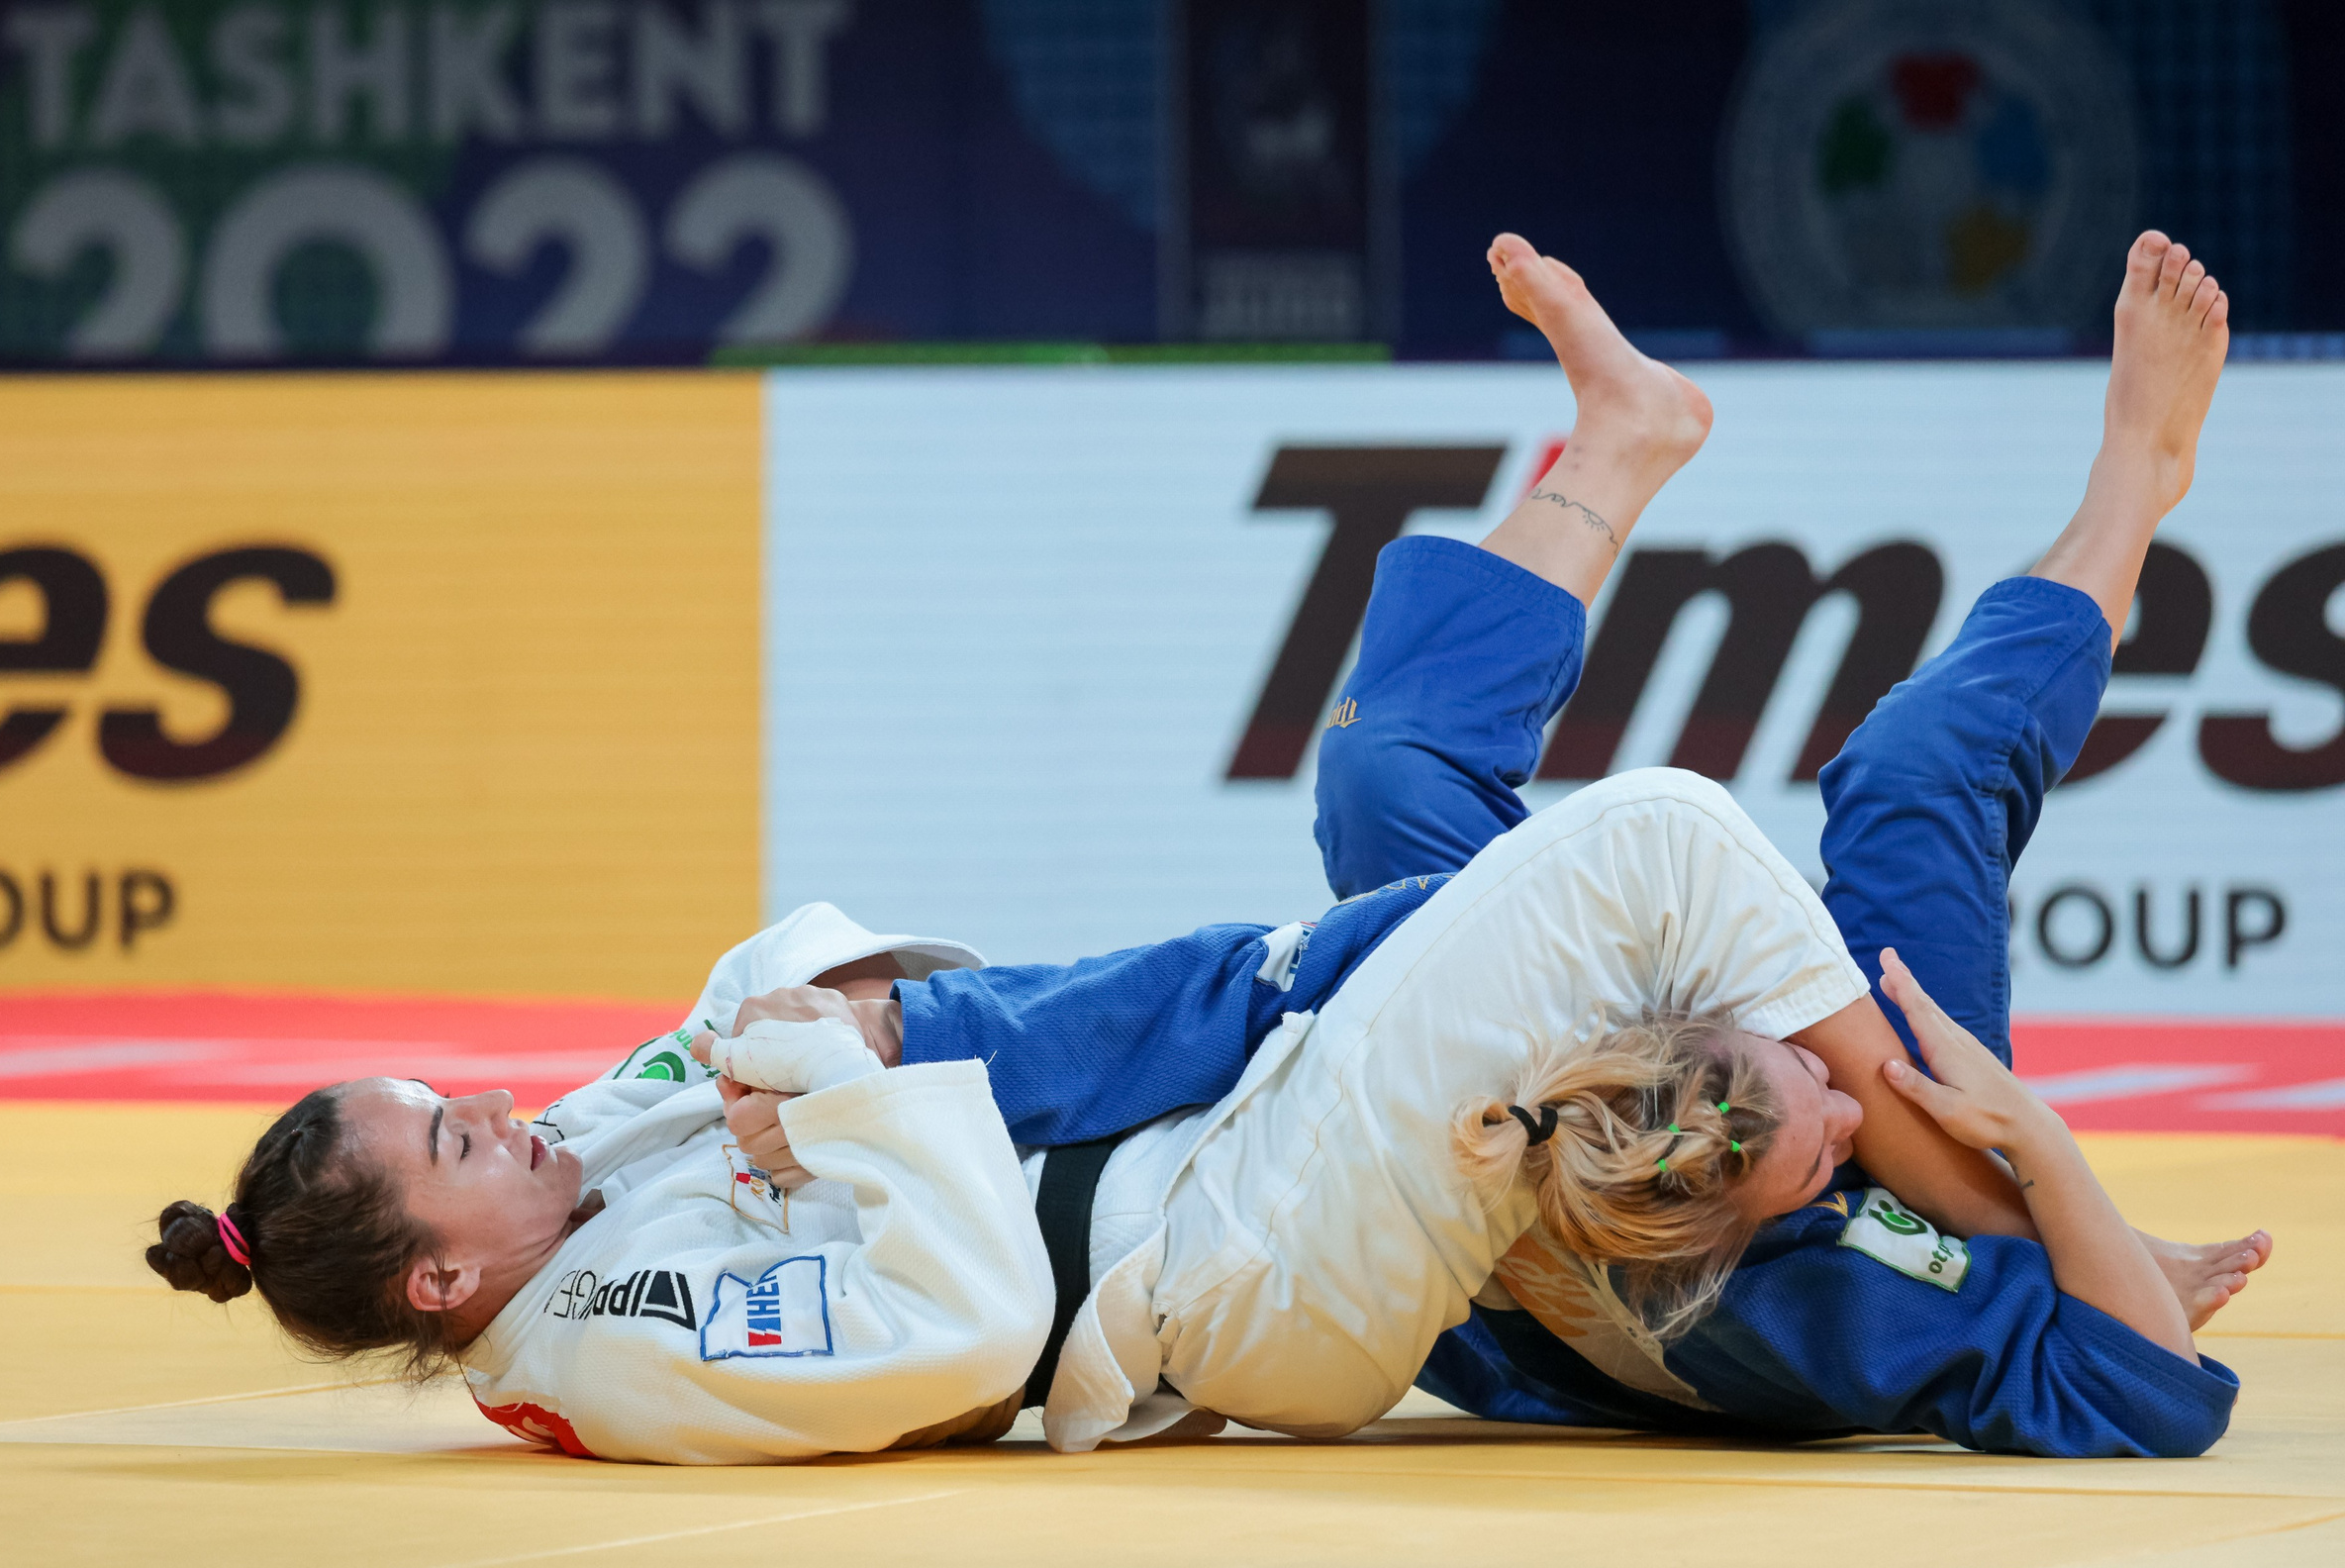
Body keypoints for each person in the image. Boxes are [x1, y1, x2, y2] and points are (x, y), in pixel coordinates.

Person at [146, 232, 2239, 1464]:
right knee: (1677, 837)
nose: (507, 1113)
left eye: (464, 1097)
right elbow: (955, 1334)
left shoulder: (588, 1183)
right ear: (439, 1269)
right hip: (1240, 1263)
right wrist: (2047, 1194)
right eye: (459, 1137)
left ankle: (1614, 458)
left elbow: (740, 1022)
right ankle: (2122, 501)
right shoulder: (619, 1330)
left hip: (1269, 1165)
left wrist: (801, 1038)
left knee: (1390, 799)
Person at [1413, 233, 2266, 1457]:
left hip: (1603, 1148)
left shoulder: (1464, 1074)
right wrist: (2043, 1161)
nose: (1835, 1077)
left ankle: (1620, 436)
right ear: (1771, 1218)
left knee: (1390, 777)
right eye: (1816, 1127)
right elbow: (2148, 1392)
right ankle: (2138, 471)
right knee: (1915, 774)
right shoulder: (1835, 1292)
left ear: (1653, 1035)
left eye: (1787, 1059)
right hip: (1770, 1244)